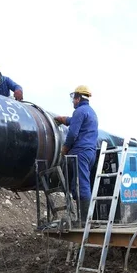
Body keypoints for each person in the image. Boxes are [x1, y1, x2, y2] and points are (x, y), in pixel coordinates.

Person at [55, 85, 98, 224]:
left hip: (81, 152)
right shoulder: (91, 112)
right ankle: (81, 218)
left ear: (79, 98)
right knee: (77, 184)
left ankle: (84, 221)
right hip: (89, 153)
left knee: (82, 184)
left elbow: (73, 133)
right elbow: (76, 122)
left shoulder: (79, 111)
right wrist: (64, 119)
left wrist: (65, 148)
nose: (73, 101)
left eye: (74, 98)